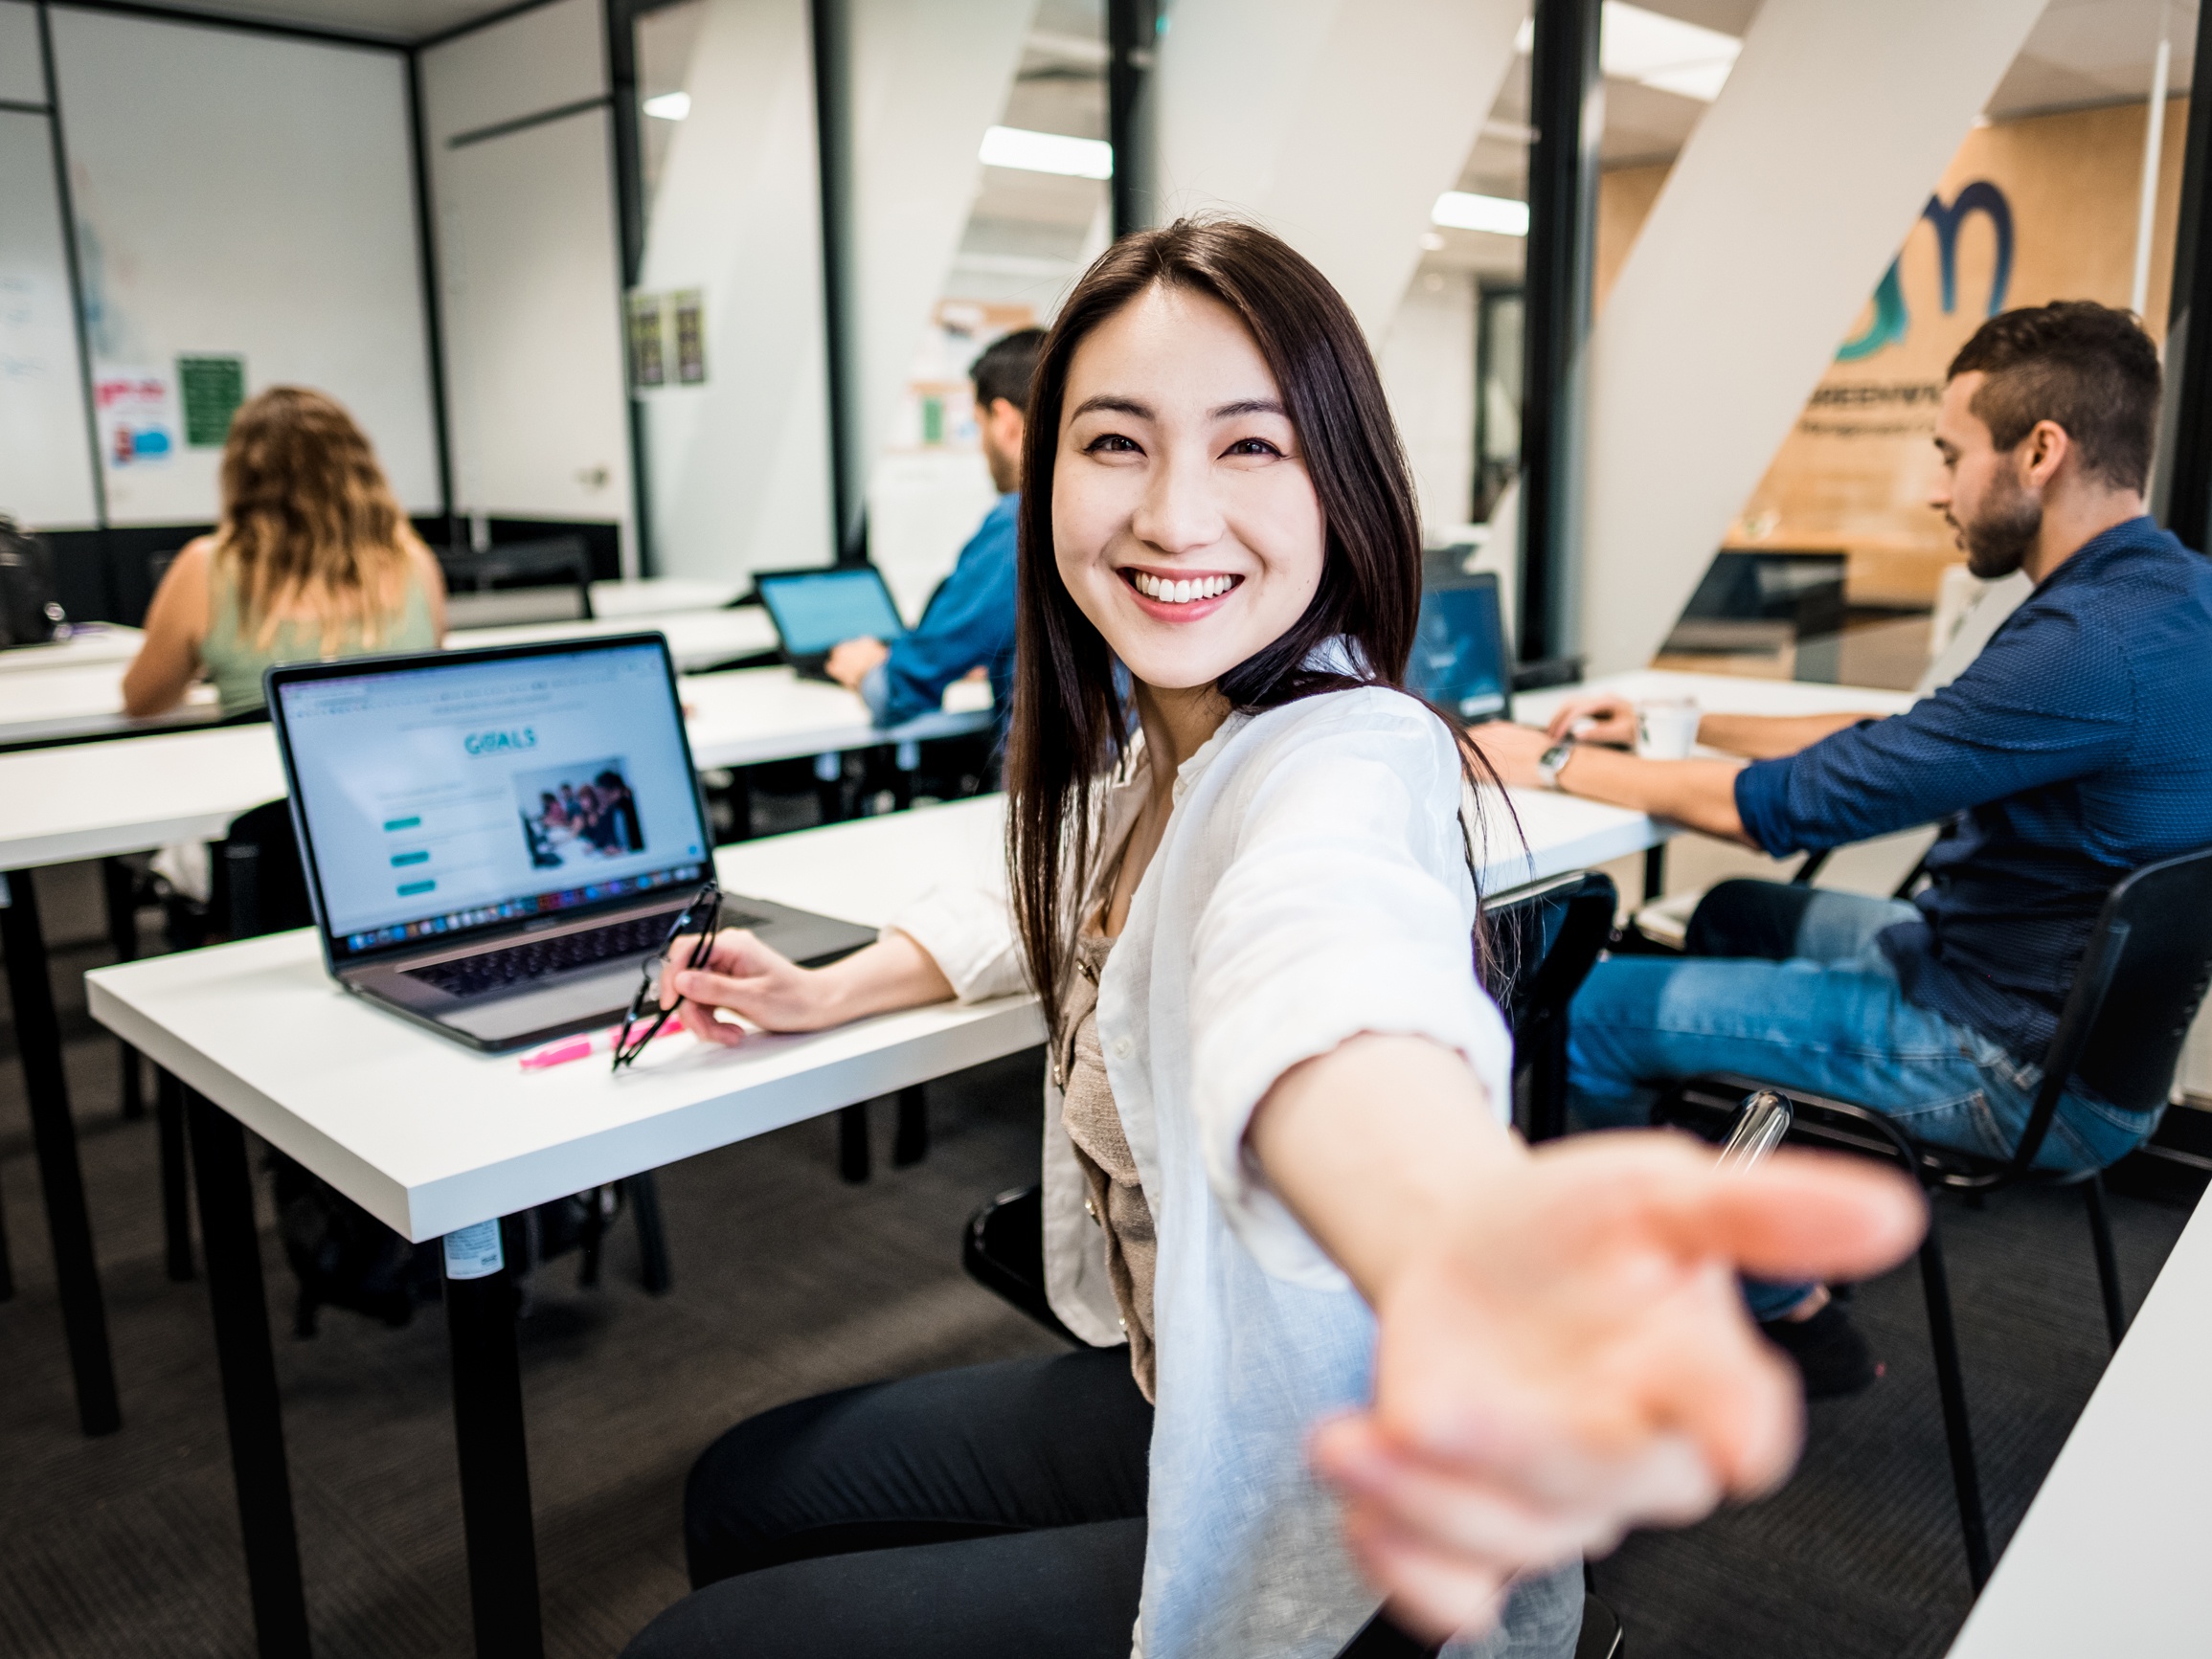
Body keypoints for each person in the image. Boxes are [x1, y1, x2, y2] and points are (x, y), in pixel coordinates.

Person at [619, 221, 1919, 1659]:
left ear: (1342, 486)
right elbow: (1055, 881)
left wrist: (1445, 1234)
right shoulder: (1164, 739)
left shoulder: (1337, 761)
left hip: (1354, 1527)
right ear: (1039, 476)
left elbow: (1322, 964)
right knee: (745, 1488)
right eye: (1115, 442)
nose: (1175, 516)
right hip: (1191, 1392)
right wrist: (834, 985)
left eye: (1252, 447)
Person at [1474, 300, 2212, 1396]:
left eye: (1951, 455)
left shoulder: (2082, 645)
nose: (1935, 488)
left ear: (2042, 452)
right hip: (2046, 1009)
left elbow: (1788, 809)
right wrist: (1686, 718)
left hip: (2000, 1058)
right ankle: (1776, 1218)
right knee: (1733, 915)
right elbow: (1922, 738)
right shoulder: (2165, 599)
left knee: (1586, 1012)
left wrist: (1541, 757)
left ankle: (1716, 1300)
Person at [123, 386, 445, 718]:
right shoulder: (415, 563)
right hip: (393, 766)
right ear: (360, 472)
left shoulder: (206, 567)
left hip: (258, 767)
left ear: (243, 474)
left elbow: (143, 701)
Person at [823, 327, 1044, 730]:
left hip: (1052, 790)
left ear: (1005, 423)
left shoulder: (1021, 523)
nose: (980, 447)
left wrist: (866, 668)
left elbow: (903, 690)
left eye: (977, 426)